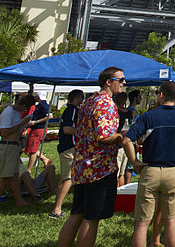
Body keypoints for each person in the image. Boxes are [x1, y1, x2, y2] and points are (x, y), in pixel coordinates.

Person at [122, 81, 175, 247]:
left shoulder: (148, 116)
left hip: (150, 170)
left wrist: (135, 162)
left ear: (161, 95)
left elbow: (127, 141)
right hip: (174, 172)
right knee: (171, 221)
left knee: (142, 223)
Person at [57, 67, 126, 247]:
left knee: (76, 214)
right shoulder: (106, 103)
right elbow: (104, 137)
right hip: (99, 169)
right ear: (108, 82)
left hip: (83, 166)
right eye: (121, 79)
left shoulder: (89, 101)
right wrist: (122, 137)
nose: (124, 83)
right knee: (91, 218)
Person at [0, 94, 37, 213]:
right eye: (26, 108)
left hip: (13, 147)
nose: (25, 111)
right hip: (7, 147)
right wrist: (22, 124)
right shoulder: (8, 113)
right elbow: (3, 133)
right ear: (24, 105)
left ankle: (19, 200)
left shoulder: (16, 113)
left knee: (14, 176)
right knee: (3, 177)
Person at [50, 89, 85, 218]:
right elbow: (67, 129)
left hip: (68, 148)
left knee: (65, 177)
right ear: (77, 98)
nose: (83, 100)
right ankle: (56, 209)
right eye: (82, 97)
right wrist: (83, 133)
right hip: (70, 147)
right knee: (69, 179)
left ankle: (56, 206)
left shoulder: (71, 110)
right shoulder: (72, 110)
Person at [26, 92, 53, 175]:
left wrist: (36, 122)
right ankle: (45, 159)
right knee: (30, 148)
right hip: (36, 129)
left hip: (39, 129)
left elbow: (50, 116)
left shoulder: (44, 106)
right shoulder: (40, 105)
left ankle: (29, 170)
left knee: (32, 151)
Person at [114, 92, 133, 187]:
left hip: (117, 144)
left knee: (118, 173)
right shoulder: (128, 112)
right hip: (125, 143)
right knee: (121, 173)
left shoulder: (115, 111)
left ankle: (117, 195)